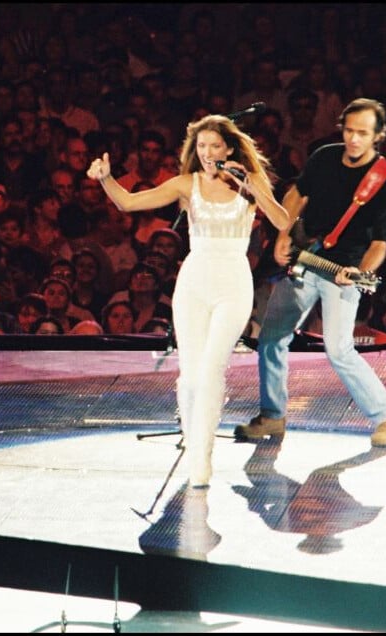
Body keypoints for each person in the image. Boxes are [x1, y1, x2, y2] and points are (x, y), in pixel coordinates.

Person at [87, 113, 290, 488]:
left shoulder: (250, 183)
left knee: (212, 368)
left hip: (233, 282)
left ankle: (203, 455)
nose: (208, 152)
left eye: (215, 146)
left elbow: (282, 221)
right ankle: (193, 442)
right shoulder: (186, 183)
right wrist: (106, 179)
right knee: (192, 372)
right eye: (201, 146)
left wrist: (251, 184)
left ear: (229, 148)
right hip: (194, 281)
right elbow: (129, 204)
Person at [237, 98, 386, 447]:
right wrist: (284, 234)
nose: (353, 139)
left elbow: (380, 244)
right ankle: (272, 416)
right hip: (305, 260)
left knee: (339, 349)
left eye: (362, 133)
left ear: (378, 136)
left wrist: (359, 273)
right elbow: (297, 195)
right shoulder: (324, 158)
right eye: (349, 130)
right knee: (271, 338)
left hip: (343, 271)